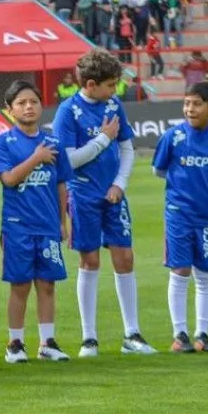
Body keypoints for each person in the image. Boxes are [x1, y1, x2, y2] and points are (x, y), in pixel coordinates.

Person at [51, 49, 155, 357]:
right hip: (82, 195)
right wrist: (103, 139)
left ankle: (132, 334)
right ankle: (89, 338)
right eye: (111, 84)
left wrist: (119, 184)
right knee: (90, 261)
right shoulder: (67, 112)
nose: (115, 90)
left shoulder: (114, 105)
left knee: (125, 259)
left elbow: (127, 149)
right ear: (91, 84)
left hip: (112, 195)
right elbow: (68, 160)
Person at [152, 81, 208, 353]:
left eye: (197, 103)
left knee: (206, 273)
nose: (190, 109)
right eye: (187, 103)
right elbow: (159, 170)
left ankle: (203, 333)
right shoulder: (173, 137)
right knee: (180, 271)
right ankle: (180, 334)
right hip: (178, 215)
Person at [0, 80, 72, 363]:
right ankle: (15, 343)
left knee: (48, 284)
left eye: (33, 102)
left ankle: (47, 342)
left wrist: (62, 223)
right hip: (17, 227)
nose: (28, 107)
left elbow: (62, 186)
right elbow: (10, 179)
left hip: (48, 226)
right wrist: (37, 158)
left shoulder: (55, 144)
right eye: (21, 103)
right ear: (10, 109)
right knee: (20, 285)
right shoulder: (4, 142)